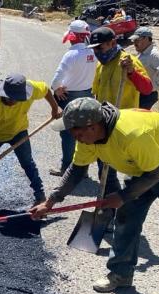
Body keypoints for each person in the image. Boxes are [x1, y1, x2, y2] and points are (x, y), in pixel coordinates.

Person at [30, 98, 159, 294]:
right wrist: (51, 201)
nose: (75, 137)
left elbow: (157, 172)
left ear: (93, 126)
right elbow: (77, 170)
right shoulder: (88, 138)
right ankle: (121, 273)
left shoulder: (130, 135)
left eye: (77, 132)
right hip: (143, 168)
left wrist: (123, 196)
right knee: (125, 219)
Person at [0, 73, 62, 205]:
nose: (13, 102)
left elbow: (46, 90)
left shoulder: (31, 89)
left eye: (17, 99)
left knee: (28, 163)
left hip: (18, 131)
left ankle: (40, 197)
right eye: (10, 99)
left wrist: (55, 108)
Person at [88, 26, 153, 193]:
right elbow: (96, 94)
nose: (96, 52)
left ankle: (125, 205)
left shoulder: (128, 62)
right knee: (105, 173)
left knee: (132, 173)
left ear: (113, 43)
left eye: (100, 47)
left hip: (125, 128)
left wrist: (131, 72)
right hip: (104, 126)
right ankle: (108, 209)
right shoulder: (101, 65)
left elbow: (147, 89)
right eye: (94, 49)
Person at [49, 19, 96, 177]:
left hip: (71, 97)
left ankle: (67, 168)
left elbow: (55, 81)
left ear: (73, 36)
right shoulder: (92, 53)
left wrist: (57, 88)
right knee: (85, 132)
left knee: (68, 135)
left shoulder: (71, 55)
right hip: (88, 95)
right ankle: (83, 169)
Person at [129, 27, 159, 110]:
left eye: (137, 40)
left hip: (147, 95)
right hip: (141, 93)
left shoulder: (153, 54)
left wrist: (152, 86)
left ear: (146, 39)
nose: (134, 43)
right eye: (133, 40)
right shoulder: (143, 53)